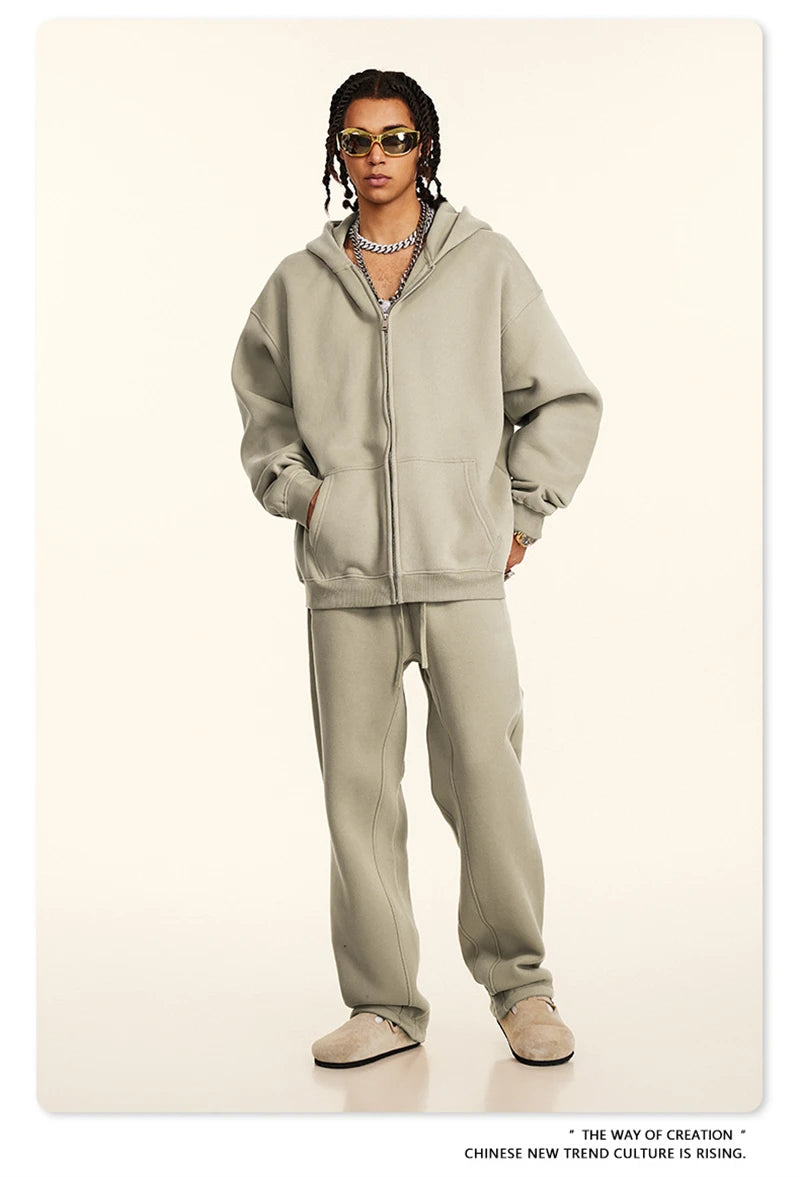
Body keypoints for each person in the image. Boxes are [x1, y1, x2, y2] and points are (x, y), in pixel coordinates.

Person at [231, 68, 603, 1070]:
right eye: (357, 141)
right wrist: (311, 500)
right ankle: (385, 1004)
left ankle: (521, 990)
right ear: (337, 153)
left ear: (423, 147)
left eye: (395, 138)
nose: (376, 158)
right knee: (357, 796)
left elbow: (562, 399)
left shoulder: (486, 265)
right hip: (345, 578)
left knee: (487, 780)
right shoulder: (298, 284)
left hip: (461, 571)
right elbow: (263, 412)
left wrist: (520, 512)